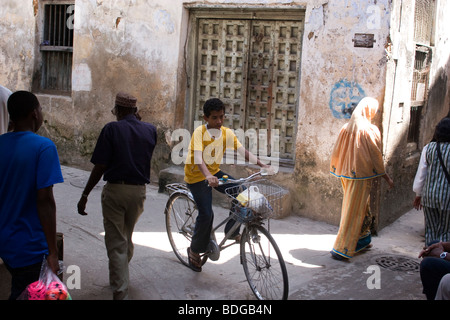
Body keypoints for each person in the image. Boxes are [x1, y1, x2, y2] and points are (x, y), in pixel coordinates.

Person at [77, 92, 157, 300]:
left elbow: (100, 166)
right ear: (135, 110)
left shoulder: (112, 129)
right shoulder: (150, 130)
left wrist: (85, 193)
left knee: (116, 242)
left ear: (119, 110)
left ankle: (120, 292)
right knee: (125, 236)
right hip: (139, 192)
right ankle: (121, 276)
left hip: (116, 190)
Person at [184, 98, 271, 272]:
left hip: (214, 173)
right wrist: (207, 175)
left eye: (222, 117)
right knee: (207, 214)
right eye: (215, 118)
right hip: (197, 177)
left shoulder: (226, 133)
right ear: (206, 118)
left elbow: (242, 151)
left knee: (243, 194)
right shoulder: (199, 133)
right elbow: (199, 158)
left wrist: (263, 165)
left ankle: (231, 231)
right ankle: (194, 250)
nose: (219, 121)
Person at [0, 91, 64, 299]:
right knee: (29, 293)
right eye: (41, 109)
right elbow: (45, 201)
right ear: (34, 113)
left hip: (5, 241)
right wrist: (53, 253)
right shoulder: (43, 147)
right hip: (30, 246)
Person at [329, 97, 394, 260]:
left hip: (346, 175)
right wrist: (386, 177)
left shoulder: (346, 128)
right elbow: (375, 156)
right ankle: (342, 248)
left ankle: (363, 240)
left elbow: (337, 152)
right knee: (353, 211)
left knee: (360, 208)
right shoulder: (370, 130)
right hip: (361, 178)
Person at [413, 118, 450, 245]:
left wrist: (418, 194)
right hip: (447, 198)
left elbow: (421, 174)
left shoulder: (428, 148)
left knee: (431, 230)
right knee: (446, 231)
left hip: (429, 196)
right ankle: (442, 259)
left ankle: (429, 257)